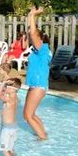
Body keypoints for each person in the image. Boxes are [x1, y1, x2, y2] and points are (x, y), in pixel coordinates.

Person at [23, 7, 52, 140]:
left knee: (27, 115)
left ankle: (42, 138)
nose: (29, 37)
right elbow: (32, 35)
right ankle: (43, 134)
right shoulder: (36, 50)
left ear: (39, 39)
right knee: (31, 114)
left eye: (31, 36)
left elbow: (34, 33)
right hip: (34, 85)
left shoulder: (43, 49)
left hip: (39, 85)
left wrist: (32, 15)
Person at [0, 78, 22, 156]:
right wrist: (6, 85)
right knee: (10, 148)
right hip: (14, 127)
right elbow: (5, 92)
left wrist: (3, 82)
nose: (5, 87)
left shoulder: (8, 99)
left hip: (7, 129)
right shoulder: (16, 98)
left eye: (7, 86)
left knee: (4, 149)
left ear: (12, 89)